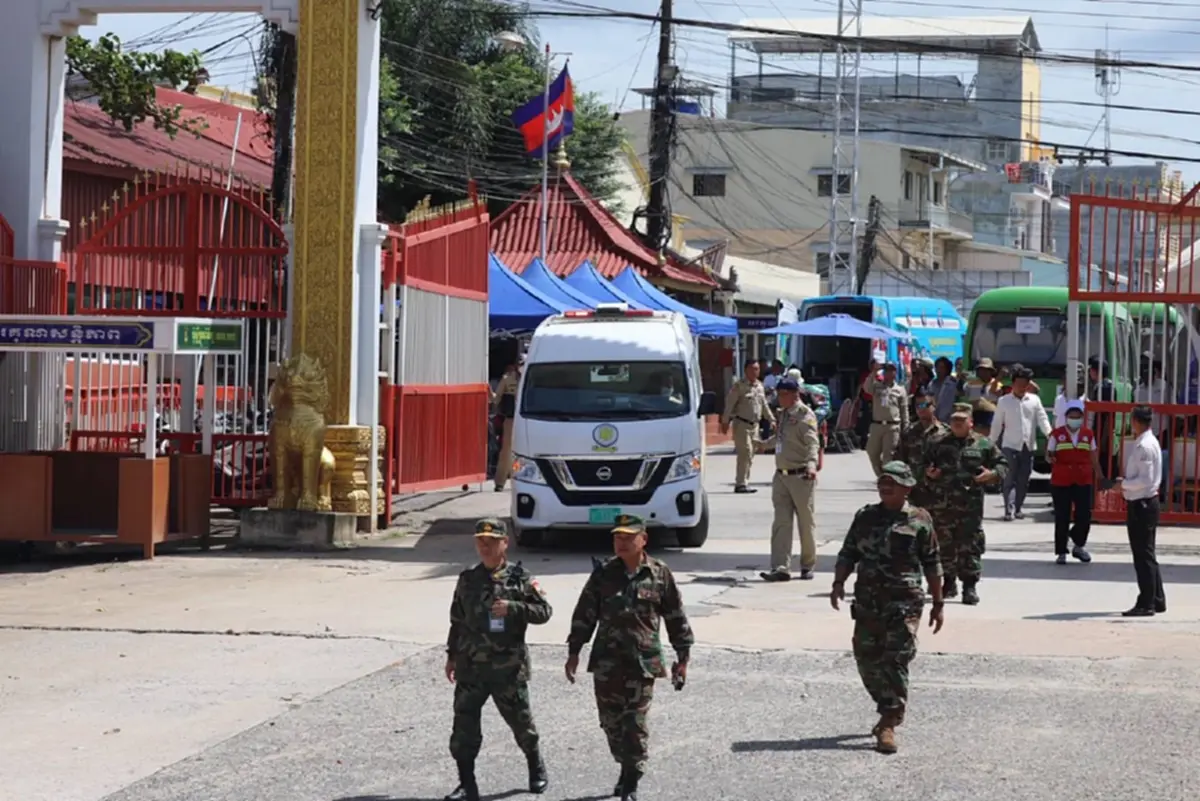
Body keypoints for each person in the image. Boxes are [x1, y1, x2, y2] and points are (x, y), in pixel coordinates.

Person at [565, 514, 694, 801]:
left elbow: (675, 617)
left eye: (627, 538)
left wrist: (682, 657)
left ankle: (633, 777)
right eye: (617, 537)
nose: (620, 543)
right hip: (607, 662)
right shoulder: (603, 574)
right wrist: (574, 651)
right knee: (611, 723)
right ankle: (625, 767)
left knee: (634, 723)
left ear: (643, 540)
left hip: (643, 662)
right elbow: (585, 614)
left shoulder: (659, 574)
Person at [830, 461, 944, 754]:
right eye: (882, 482)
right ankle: (887, 708)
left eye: (892, 483)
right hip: (868, 599)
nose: (885, 487)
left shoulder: (920, 519)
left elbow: (932, 562)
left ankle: (889, 719)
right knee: (866, 657)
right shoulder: (866, 516)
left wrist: (938, 602)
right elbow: (849, 551)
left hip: (904, 602)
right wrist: (838, 583)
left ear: (907, 487)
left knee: (895, 658)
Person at [444, 519, 553, 801]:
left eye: (491, 540)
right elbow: (457, 620)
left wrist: (515, 608)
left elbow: (544, 611)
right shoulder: (468, 579)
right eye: (480, 540)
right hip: (471, 666)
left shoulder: (520, 577)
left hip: (507, 667)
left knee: (522, 724)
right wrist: (451, 655)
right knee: (464, 728)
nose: (485, 545)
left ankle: (535, 765)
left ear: (505, 543)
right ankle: (467, 783)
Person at [923, 403, 1007, 604]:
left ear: (971, 423)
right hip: (942, 505)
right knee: (944, 544)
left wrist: (992, 475)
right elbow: (923, 465)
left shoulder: (983, 444)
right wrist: (928, 474)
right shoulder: (937, 442)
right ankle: (949, 582)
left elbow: (1002, 465)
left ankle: (969, 586)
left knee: (970, 545)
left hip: (970, 506)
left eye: (961, 420)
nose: (957, 424)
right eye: (954, 420)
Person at [757, 377, 821, 582]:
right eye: (778, 394)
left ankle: (807, 565)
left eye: (783, 394)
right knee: (781, 523)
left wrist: (812, 465)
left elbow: (813, 443)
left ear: (795, 394)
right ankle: (780, 567)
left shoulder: (805, 415)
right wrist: (763, 444)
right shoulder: (783, 414)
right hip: (782, 476)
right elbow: (781, 439)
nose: (780, 398)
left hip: (801, 475)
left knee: (805, 522)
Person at [1116, 406, 1166, 617]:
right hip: (1145, 502)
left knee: (1142, 555)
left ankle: (1146, 602)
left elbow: (1145, 480)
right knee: (1148, 553)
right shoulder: (1148, 441)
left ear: (1136, 421)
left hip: (1142, 504)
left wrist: (1124, 485)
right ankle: (1157, 598)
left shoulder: (1144, 446)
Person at [992, 366, 1052, 520]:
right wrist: (991, 443)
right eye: (1018, 383)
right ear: (1013, 384)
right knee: (1009, 478)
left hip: (1028, 446)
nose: (1021, 386)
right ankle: (1008, 509)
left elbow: (1042, 419)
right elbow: (997, 423)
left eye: (1024, 383)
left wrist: (1049, 434)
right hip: (1009, 445)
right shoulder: (1004, 401)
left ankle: (1018, 507)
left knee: (1023, 480)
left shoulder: (1034, 400)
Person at [1046, 398, 1100, 564]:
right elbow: (1048, 454)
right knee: (1062, 516)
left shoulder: (1088, 435)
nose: (1074, 419)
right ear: (1067, 416)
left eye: (1078, 416)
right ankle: (1061, 551)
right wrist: (1051, 458)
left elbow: (1094, 457)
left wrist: (1100, 476)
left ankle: (1079, 545)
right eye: (1072, 415)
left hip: (1083, 479)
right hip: (1062, 480)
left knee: (1084, 515)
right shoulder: (1057, 434)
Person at [721, 360, 775, 493]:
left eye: (757, 369)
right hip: (742, 424)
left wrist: (772, 419)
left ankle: (744, 481)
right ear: (746, 370)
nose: (754, 372)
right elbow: (730, 404)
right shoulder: (739, 386)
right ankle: (740, 484)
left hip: (755, 426)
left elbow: (764, 405)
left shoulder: (760, 386)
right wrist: (725, 421)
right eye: (752, 369)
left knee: (750, 454)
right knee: (744, 452)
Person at [894, 388, 948, 513]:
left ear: (934, 406)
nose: (920, 409)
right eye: (917, 405)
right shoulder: (909, 432)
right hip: (914, 492)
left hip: (939, 493)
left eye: (924, 404)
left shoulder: (945, 433)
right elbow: (899, 460)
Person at [864, 362, 910, 477]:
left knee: (888, 456)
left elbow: (904, 410)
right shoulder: (877, 386)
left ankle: (888, 479)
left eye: (892, 370)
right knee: (872, 452)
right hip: (877, 425)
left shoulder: (900, 390)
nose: (890, 373)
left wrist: (906, 427)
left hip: (892, 426)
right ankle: (881, 475)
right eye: (887, 370)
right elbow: (866, 388)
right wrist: (874, 371)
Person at [493, 359, 522, 492]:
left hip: (528, 419)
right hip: (511, 419)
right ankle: (500, 482)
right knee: (507, 451)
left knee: (525, 453)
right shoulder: (507, 379)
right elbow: (495, 399)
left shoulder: (534, 376)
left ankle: (520, 479)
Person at [1088, 356, 1117, 479]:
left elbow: (1108, 415)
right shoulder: (1101, 385)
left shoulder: (1104, 387)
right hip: (1099, 433)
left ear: (1095, 371)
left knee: (1101, 466)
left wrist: (1104, 438)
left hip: (1101, 434)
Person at [929, 357, 958, 422]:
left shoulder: (953, 383)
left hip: (949, 420)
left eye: (942, 368)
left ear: (947, 369)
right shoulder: (932, 384)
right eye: (937, 368)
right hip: (934, 420)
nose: (938, 370)